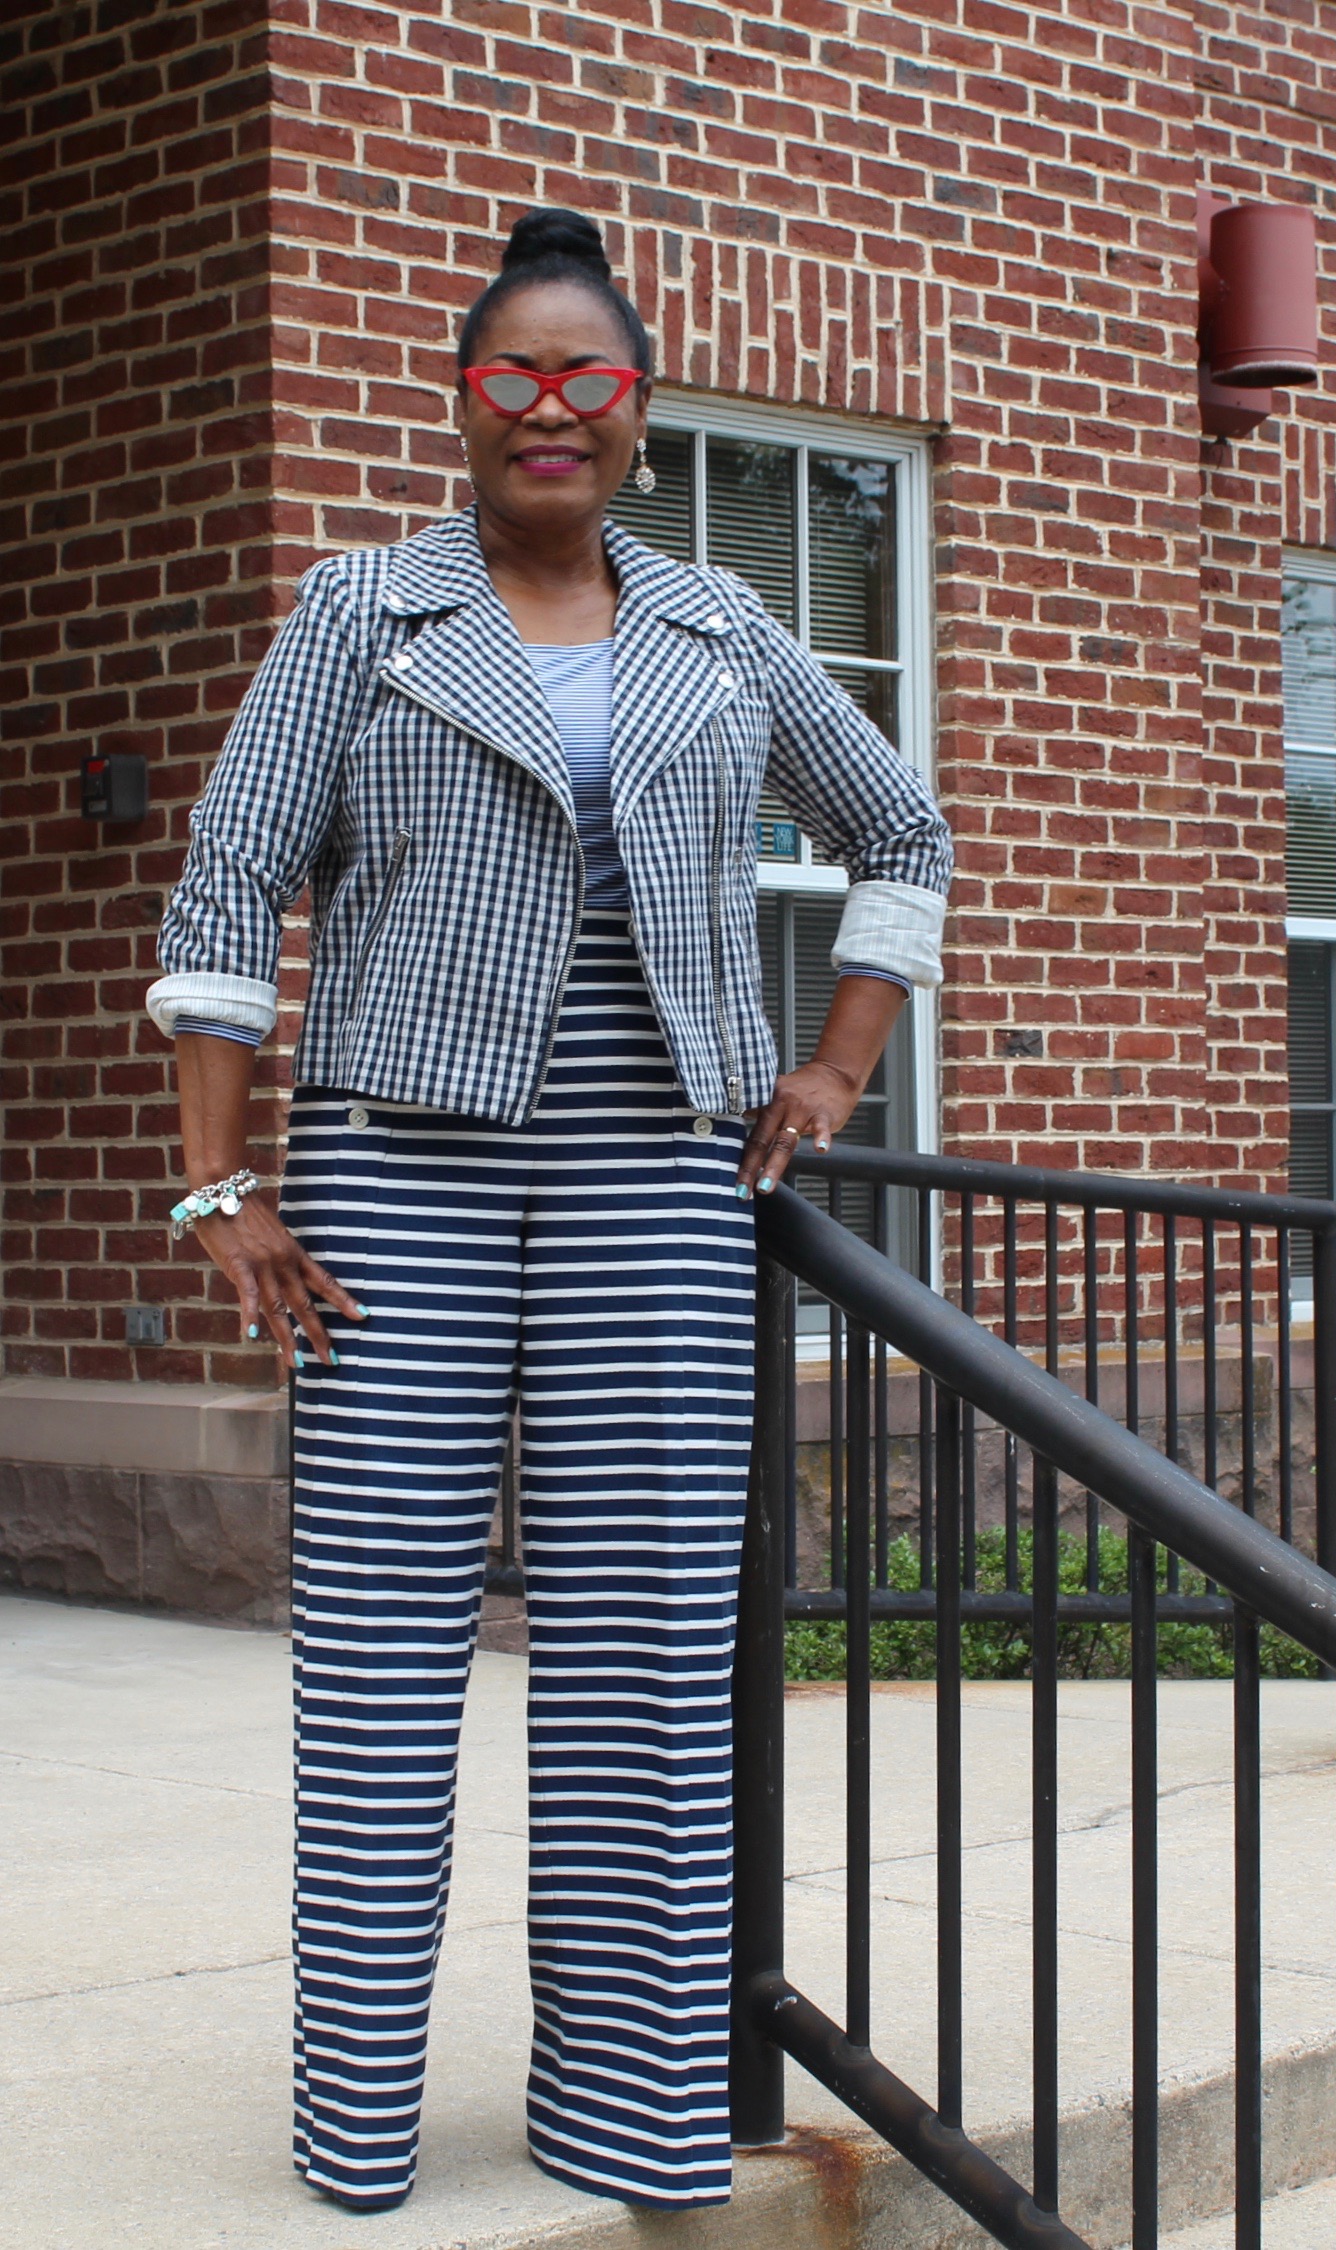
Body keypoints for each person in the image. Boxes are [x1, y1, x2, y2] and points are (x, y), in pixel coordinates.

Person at [146, 207, 951, 2214]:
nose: (550, 411)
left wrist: (836, 1066)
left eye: (589, 381)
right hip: (393, 1185)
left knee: (654, 1647)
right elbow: (229, 889)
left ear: (641, 419)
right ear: (464, 405)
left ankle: (632, 2113)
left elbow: (901, 830)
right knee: (384, 1656)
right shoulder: (364, 615)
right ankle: (358, 2126)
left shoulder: (723, 633)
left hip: (660, 1186)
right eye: (514, 377)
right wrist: (219, 1182)